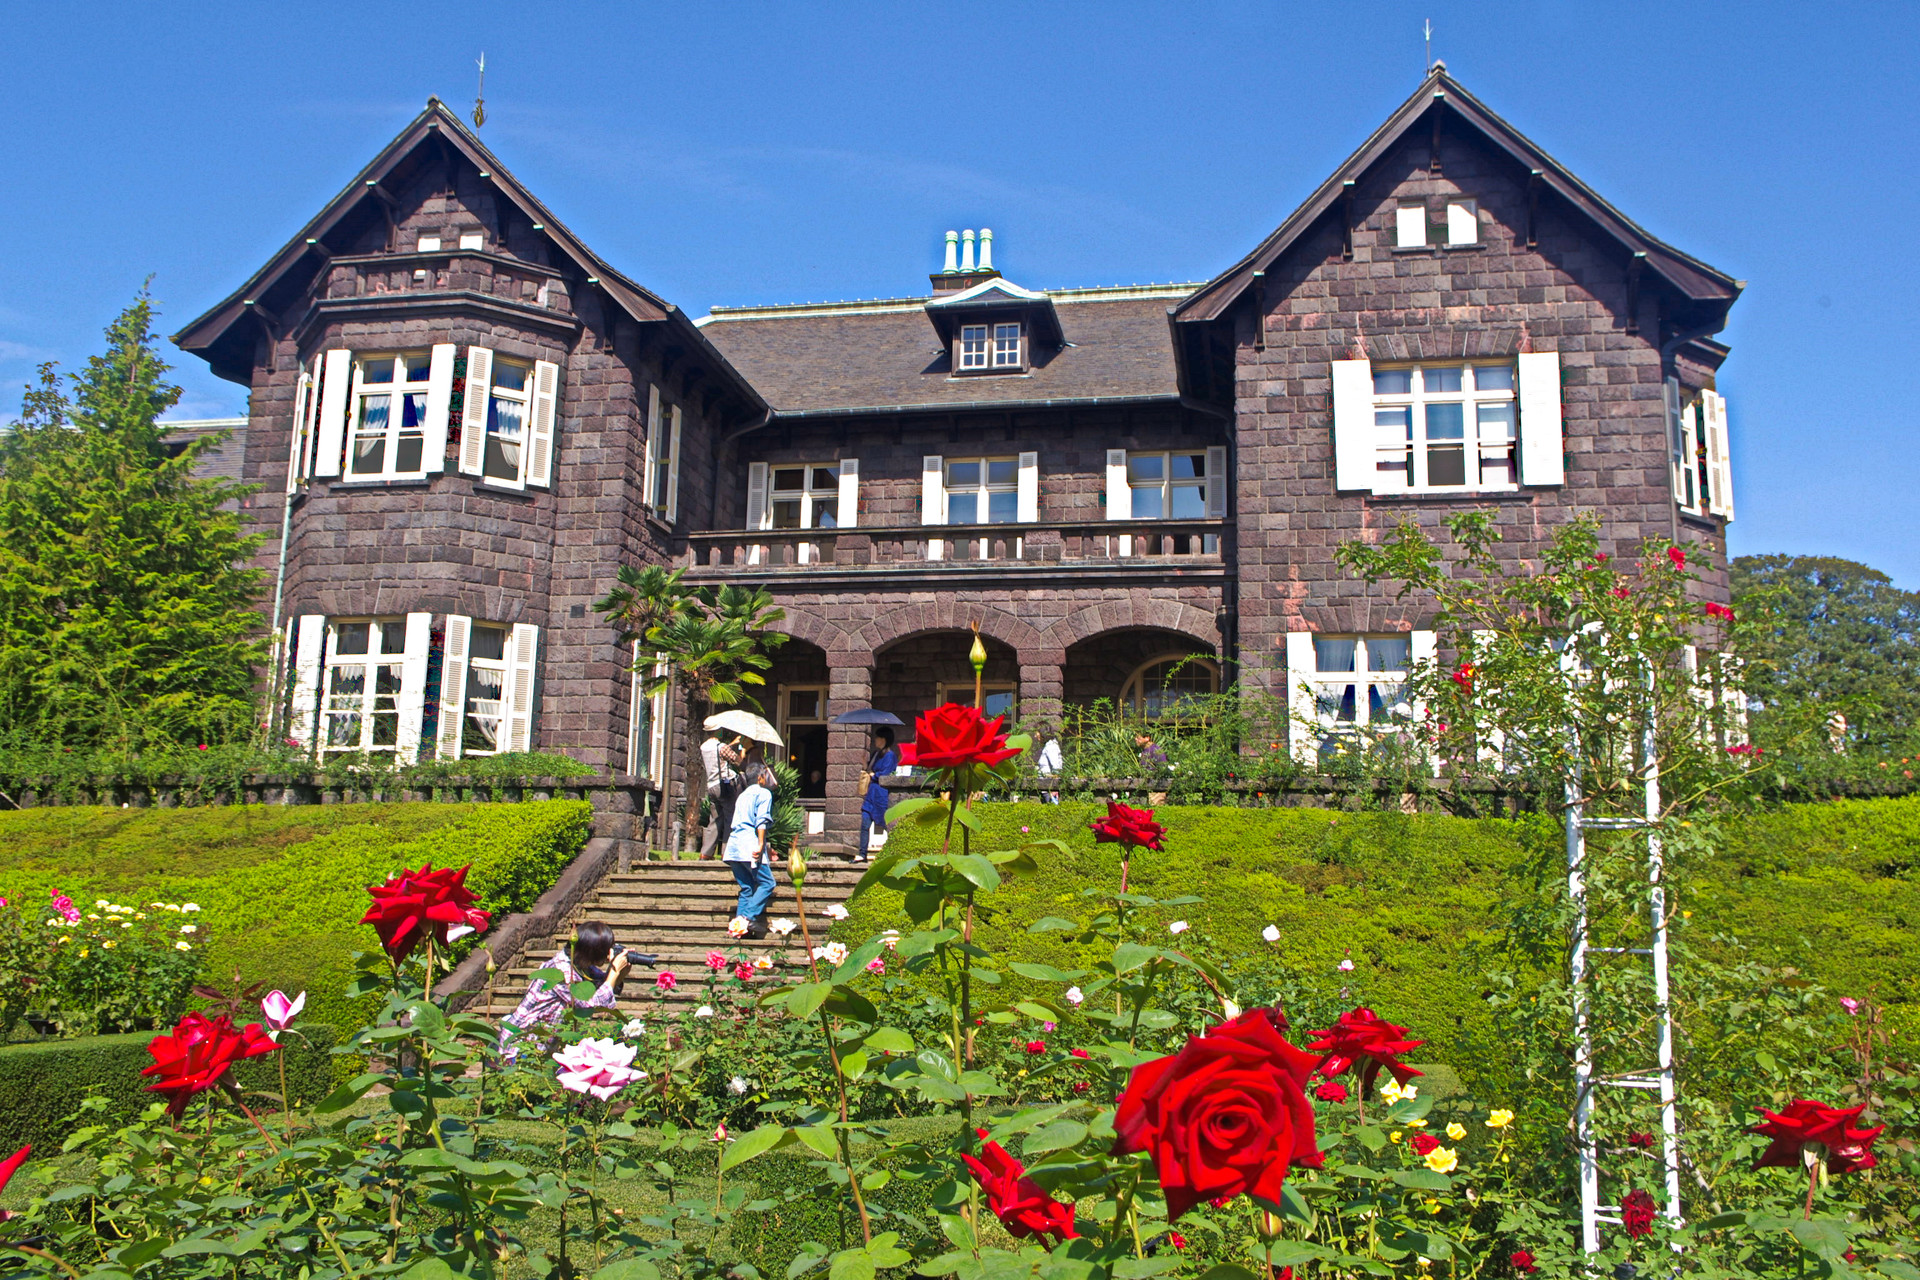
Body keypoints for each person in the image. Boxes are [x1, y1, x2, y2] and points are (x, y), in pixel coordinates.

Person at [498, 921, 633, 1059]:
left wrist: (619, 974)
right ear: (593, 950)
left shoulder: (579, 964)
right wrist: (614, 972)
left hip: (541, 1044)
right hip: (521, 1044)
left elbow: (602, 985)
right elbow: (590, 1004)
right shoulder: (562, 970)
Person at [723, 762, 777, 937]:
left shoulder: (742, 795)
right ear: (761, 778)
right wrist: (761, 844)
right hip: (749, 843)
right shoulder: (764, 793)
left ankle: (739, 929)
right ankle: (746, 918)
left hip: (733, 846)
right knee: (768, 883)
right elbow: (761, 820)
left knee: (746, 887)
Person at [699, 732, 744, 858]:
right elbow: (737, 761)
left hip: (711, 785)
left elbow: (719, 753)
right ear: (717, 731)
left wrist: (732, 744)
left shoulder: (705, 747)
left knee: (715, 819)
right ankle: (727, 851)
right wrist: (741, 752)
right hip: (724, 785)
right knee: (730, 817)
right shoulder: (722, 747)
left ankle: (706, 853)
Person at [859, 728, 899, 862]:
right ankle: (862, 853)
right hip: (871, 793)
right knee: (865, 822)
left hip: (881, 793)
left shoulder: (890, 756)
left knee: (885, 822)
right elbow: (871, 769)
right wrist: (865, 766)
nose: (875, 740)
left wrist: (874, 775)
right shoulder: (877, 754)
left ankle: (891, 852)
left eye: (877, 737)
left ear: (884, 739)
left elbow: (887, 773)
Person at [1035, 728, 1063, 804]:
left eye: (1037, 733)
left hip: (1049, 789)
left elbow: (1057, 768)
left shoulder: (1051, 746)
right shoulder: (1047, 746)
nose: (1035, 736)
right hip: (1044, 788)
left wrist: (1054, 788)